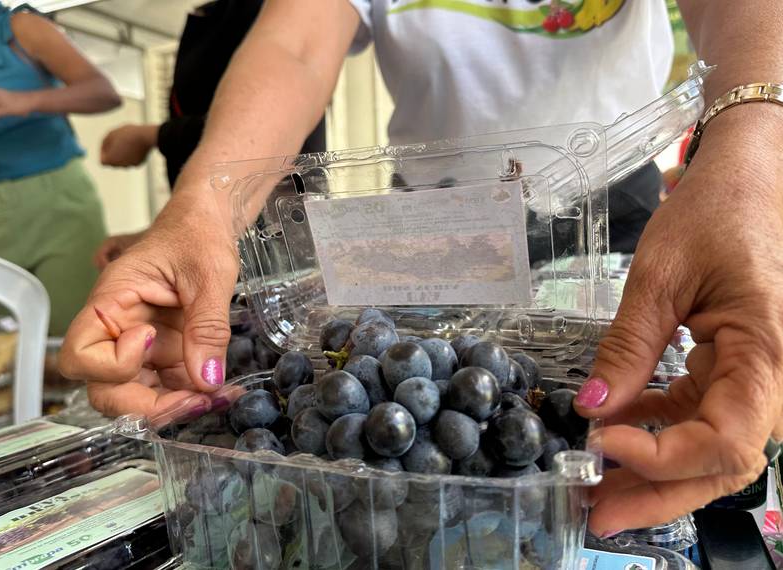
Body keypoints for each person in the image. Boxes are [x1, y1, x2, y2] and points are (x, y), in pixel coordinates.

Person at [60, 0, 783, 536]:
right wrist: (202, 211)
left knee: (617, 424)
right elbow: (294, 46)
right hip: (428, 236)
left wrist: (753, 149)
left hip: (612, 220)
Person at [0, 0, 120, 336]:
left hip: (60, 202)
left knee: (77, 337)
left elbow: (104, 92)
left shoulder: (23, 28)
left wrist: (24, 101)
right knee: (13, 347)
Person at [94, 0, 326, 270]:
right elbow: (213, 174)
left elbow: (267, 121)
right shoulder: (214, 17)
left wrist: (151, 136)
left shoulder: (262, 12)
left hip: (272, 234)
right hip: (238, 236)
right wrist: (156, 233)